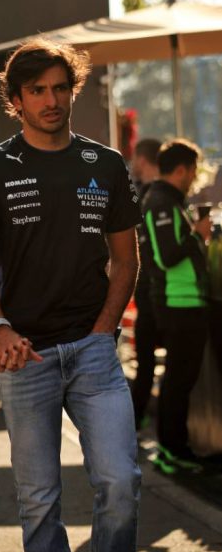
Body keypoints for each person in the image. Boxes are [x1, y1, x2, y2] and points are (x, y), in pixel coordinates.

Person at [0, 36, 148, 552]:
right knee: (37, 496)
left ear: (74, 90)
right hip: (25, 357)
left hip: (94, 351)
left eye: (59, 88)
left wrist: (103, 329)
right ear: (15, 101)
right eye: (36, 90)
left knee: (120, 479)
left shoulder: (105, 162)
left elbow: (127, 259)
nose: (50, 100)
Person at [140, 139, 211, 474]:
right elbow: (166, 257)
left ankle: (174, 448)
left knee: (178, 380)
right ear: (181, 169)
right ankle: (173, 451)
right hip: (177, 304)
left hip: (183, 303)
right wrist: (197, 236)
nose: (194, 178)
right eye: (193, 171)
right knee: (178, 381)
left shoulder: (166, 201)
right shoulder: (162, 203)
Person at [130, 138, 162, 431]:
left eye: (135, 159)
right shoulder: (147, 194)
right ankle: (136, 421)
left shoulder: (151, 196)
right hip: (152, 293)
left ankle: (135, 421)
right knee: (148, 365)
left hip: (153, 292)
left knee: (146, 365)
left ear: (143, 159)